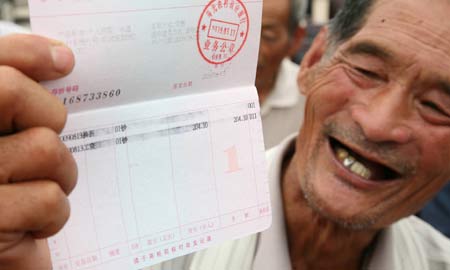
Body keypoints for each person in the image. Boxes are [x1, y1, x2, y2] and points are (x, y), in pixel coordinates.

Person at [1, 0, 450, 270]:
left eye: (438, 107)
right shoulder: (133, 238)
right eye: (367, 70)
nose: (378, 123)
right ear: (312, 60)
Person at [257, 0, 307, 148]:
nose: (248, 48)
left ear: (296, 39)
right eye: (240, 31)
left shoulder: (309, 100)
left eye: (267, 36)